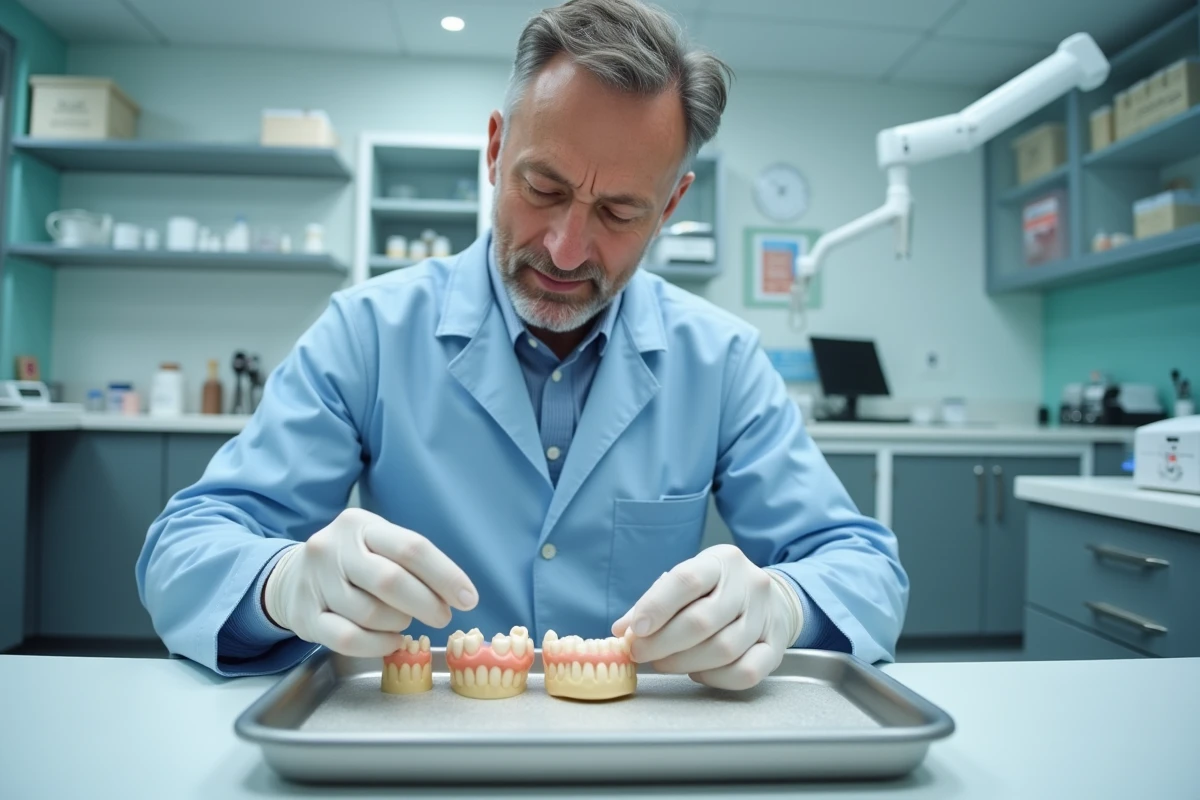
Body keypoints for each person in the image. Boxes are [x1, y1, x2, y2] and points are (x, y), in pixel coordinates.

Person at [136, 0, 907, 686]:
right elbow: (183, 551)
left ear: (671, 203)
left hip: (635, 765)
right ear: (496, 150)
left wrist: (785, 604)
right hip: (423, 758)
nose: (567, 249)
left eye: (618, 212)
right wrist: (279, 581)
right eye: (543, 189)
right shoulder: (366, 334)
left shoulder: (724, 362)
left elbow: (865, 568)